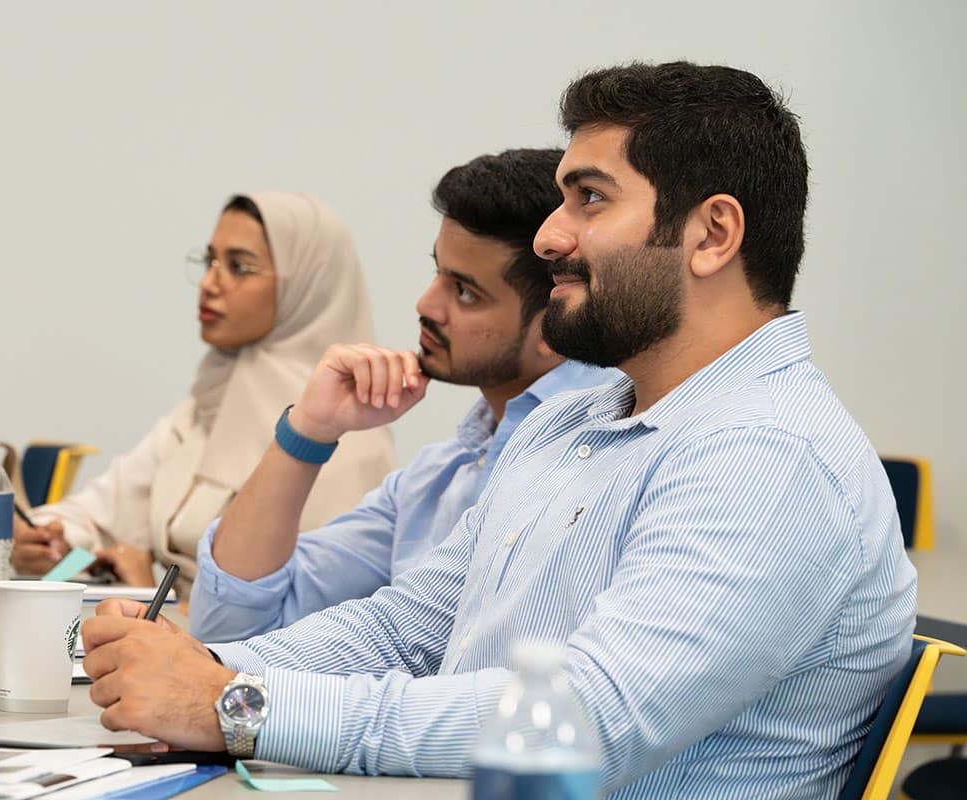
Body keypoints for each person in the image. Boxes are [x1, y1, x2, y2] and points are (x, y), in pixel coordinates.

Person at [81, 62, 917, 799]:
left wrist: (233, 705)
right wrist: (207, 672)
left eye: (590, 198)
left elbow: (584, 722)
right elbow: (408, 628)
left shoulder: (769, 455)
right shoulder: (574, 423)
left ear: (712, 235)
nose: (551, 236)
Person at [189, 149, 621, 642]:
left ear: (555, 322)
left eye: (465, 292)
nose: (425, 305)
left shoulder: (597, 464)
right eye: (438, 273)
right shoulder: (438, 477)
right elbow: (228, 624)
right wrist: (308, 430)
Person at [11, 193, 395, 597]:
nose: (210, 283)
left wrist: (154, 600)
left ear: (306, 287)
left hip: (228, 639)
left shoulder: (345, 435)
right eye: (210, 261)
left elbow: (318, 615)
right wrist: (50, 542)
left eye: (239, 267)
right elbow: (104, 512)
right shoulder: (207, 404)